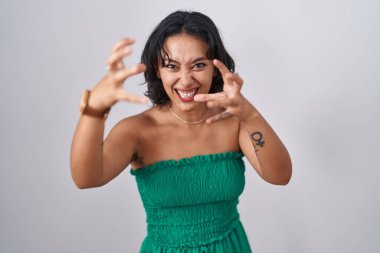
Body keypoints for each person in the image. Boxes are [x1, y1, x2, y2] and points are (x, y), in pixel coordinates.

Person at [70, 10, 292, 253]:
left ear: (215, 69)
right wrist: (94, 109)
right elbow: (86, 179)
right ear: (157, 69)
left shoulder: (233, 122)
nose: (185, 80)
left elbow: (279, 176)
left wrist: (250, 115)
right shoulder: (136, 131)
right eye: (172, 66)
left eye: (198, 65)